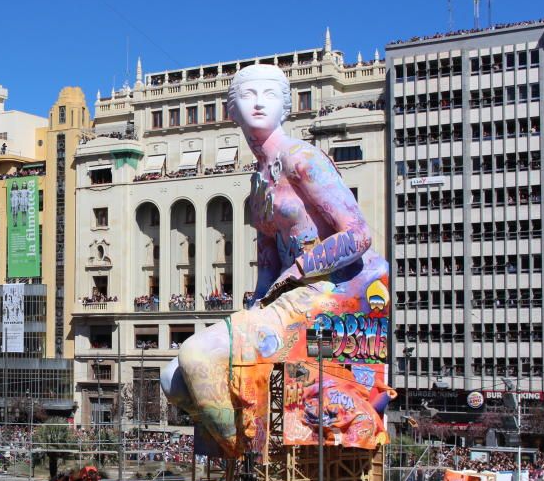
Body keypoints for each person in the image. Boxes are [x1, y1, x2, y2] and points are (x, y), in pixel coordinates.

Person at [161, 63, 394, 458]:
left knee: (197, 355)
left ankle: (254, 459)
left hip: (327, 292)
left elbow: (359, 234)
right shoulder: (257, 182)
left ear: (285, 106)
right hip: (284, 298)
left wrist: (301, 269)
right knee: (173, 380)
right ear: (230, 110)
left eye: (268, 95)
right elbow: (267, 260)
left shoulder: (302, 158)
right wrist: (254, 305)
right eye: (247, 95)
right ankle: (251, 449)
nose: (257, 103)